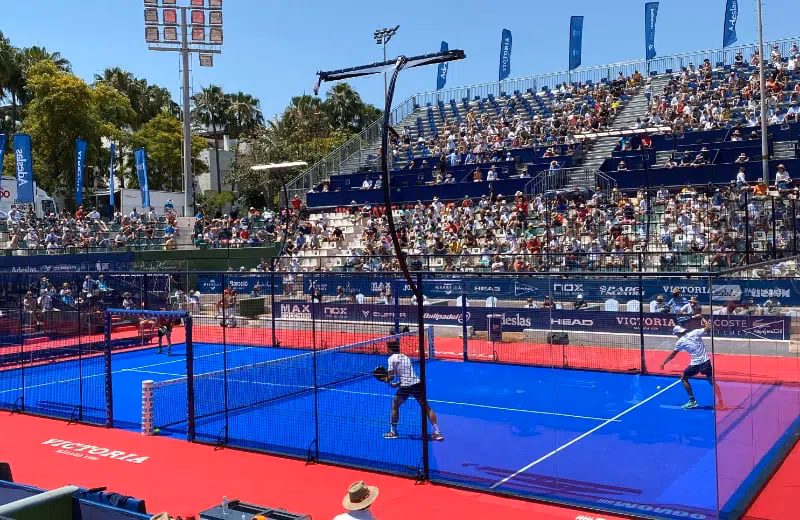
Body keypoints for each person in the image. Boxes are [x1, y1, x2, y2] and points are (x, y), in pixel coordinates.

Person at [660, 315, 725, 410]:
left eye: (676, 334)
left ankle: (692, 401)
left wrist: (664, 363)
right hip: (706, 362)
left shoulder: (680, 342)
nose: (677, 336)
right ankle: (721, 402)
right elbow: (708, 327)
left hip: (696, 364)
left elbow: (672, 355)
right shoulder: (695, 332)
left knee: (683, 378)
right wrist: (702, 317)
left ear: (678, 333)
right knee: (712, 382)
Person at [384, 339, 443, 441]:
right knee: (427, 408)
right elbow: (406, 374)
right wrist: (397, 384)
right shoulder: (405, 357)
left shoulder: (391, 359)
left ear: (390, 349)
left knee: (394, 405)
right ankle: (437, 433)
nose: (386, 351)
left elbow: (390, 377)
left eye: (387, 349)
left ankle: (393, 432)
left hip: (406, 386)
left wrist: (385, 379)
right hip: (416, 383)